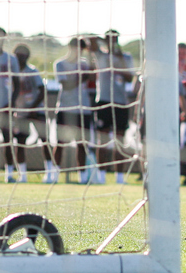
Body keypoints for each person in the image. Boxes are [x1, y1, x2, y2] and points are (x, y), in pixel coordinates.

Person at [91, 30, 136, 184]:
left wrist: (119, 58)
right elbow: (90, 40)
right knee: (102, 140)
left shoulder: (126, 57)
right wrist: (104, 42)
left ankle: (119, 177)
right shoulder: (101, 55)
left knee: (119, 140)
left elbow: (130, 77)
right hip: (103, 100)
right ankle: (101, 176)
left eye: (114, 39)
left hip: (120, 102)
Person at [10, 44, 55, 183]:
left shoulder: (33, 71)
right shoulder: (12, 72)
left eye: (23, 55)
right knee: (20, 142)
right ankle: (22, 175)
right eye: (18, 54)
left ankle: (50, 173)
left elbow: (42, 91)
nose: (20, 57)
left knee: (45, 140)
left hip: (36, 111)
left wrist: (33, 109)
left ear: (27, 56)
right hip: (21, 112)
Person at [55, 37, 92, 184]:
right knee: (61, 142)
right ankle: (54, 175)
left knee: (82, 144)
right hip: (65, 107)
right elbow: (67, 85)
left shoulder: (86, 64)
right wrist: (82, 77)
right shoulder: (60, 64)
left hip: (83, 109)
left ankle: (82, 177)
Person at [0, 27, 19, 182]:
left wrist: (12, 103)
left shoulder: (11, 59)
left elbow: (16, 83)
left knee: (8, 139)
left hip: (5, 105)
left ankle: (9, 174)